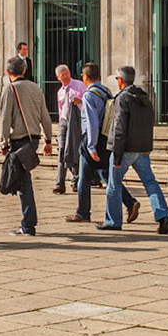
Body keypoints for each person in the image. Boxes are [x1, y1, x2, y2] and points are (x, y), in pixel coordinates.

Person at [100, 65, 168, 235]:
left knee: (113, 184)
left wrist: (117, 155)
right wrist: (147, 146)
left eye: (117, 79)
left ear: (121, 81)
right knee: (150, 182)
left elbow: (119, 127)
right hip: (142, 149)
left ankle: (113, 221)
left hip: (125, 149)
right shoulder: (143, 97)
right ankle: (163, 215)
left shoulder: (123, 98)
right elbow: (148, 123)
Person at [71, 61, 136, 225]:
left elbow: (92, 122)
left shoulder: (88, 95)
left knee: (83, 178)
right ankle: (130, 202)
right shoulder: (105, 91)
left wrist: (90, 146)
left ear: (85, 77)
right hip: (106, 137)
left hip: (92, 139)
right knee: (106, 174)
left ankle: (83, 212)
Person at [0, 54, 49, 236]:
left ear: (7, 72)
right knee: (21, 180)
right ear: (25, 70)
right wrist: (48, 139)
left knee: (24, 183)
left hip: (19, 140)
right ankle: (28, 223)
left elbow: (4, 119)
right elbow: (45, 116)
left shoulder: (10, 89)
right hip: (33, 139)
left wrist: (3, 143)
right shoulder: (36, 88)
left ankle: (28, 225)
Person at [52, 64, 80, 194]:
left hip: (76, 122)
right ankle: (60, 183)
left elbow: (87, 101)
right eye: (62, 75)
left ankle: (75, 181)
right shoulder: (60, 92)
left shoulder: (79, 86)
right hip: (64, 122)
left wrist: (79, 101)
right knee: (62, 150)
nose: (65, 77)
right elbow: (60, 108)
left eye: (67, 74)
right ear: (58, 77)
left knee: (74, 150)